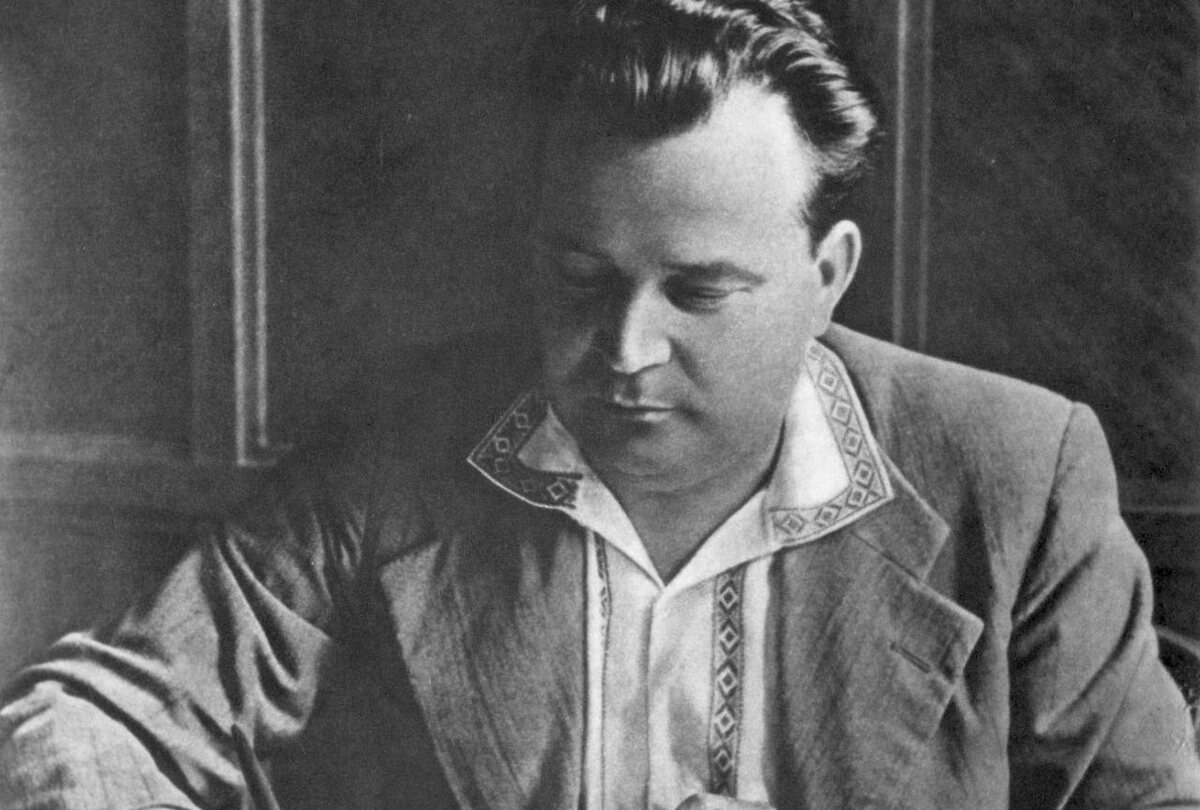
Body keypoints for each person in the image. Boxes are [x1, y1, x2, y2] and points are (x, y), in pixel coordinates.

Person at [3, 1, 1199, 808]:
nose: (625, 351)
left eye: (700, 292)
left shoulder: (1017, 472)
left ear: (827, 276)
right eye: (581, 280)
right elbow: (107, 711)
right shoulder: (397, 449)